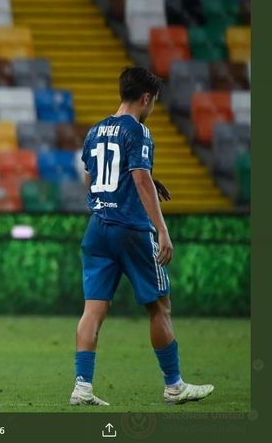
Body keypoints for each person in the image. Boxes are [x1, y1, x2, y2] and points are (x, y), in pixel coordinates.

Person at [70, 67, 214, 406]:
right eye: (153, 103)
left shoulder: (94, 131)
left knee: (93, 309)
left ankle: (82, 387)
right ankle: (174, 386)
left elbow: (92, 177)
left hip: (98, 228)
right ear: (146, 98)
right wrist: (162, 230)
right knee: (159, 307)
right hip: (131, 230)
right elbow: (138, 177)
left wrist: (136, 183)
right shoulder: (140, 131)